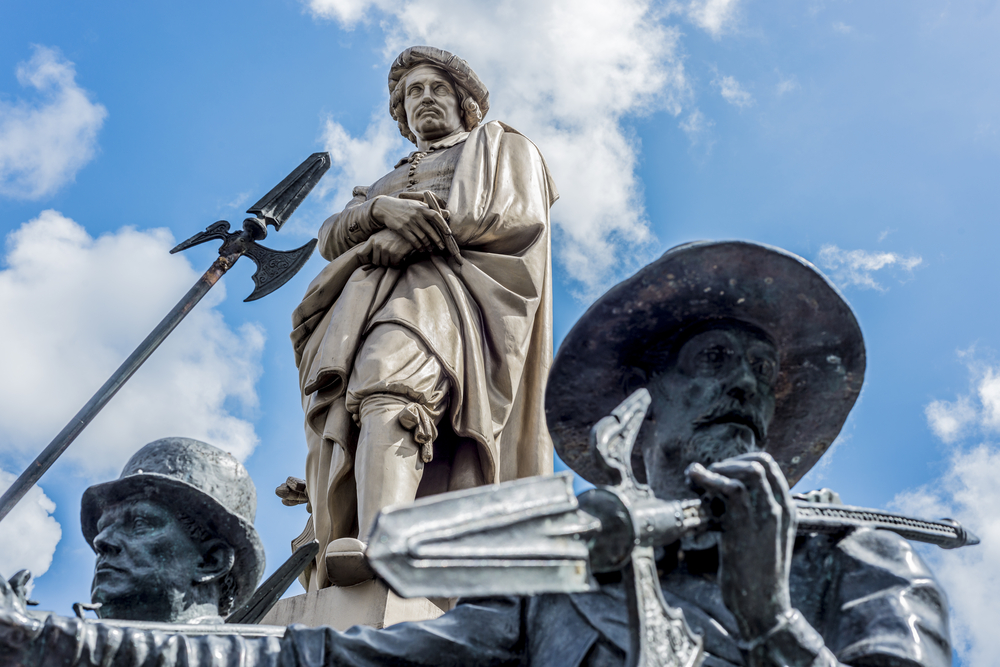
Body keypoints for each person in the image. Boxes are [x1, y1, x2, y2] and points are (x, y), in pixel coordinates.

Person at [0, 241, 950, 666]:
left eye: (763, 372)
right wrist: (55, 641)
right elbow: (306, 658)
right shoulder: (553, 589)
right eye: (713, 360)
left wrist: (772, 619)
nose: (745, 384)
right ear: (644, 400)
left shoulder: (861, 560)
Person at [290, 45, 557, 588]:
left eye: (438, 88)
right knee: (358, 403)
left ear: (465, 103)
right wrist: (378, 212)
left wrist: (411, 236)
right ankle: (362, 530)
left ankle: (384, 540)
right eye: (414, 92)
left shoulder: (500, 147)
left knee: (391, 381)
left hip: (448, 291)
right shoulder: (382, 184)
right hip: (362, 303)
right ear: (402, 111)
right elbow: (331, 237)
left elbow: (516, 215)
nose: (425, 98)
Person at [82, 437, 264, 623]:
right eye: (103, 528)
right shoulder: (76, 639)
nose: (101, 540)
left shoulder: (265, 644)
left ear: (210, 560)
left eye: (139, 523)